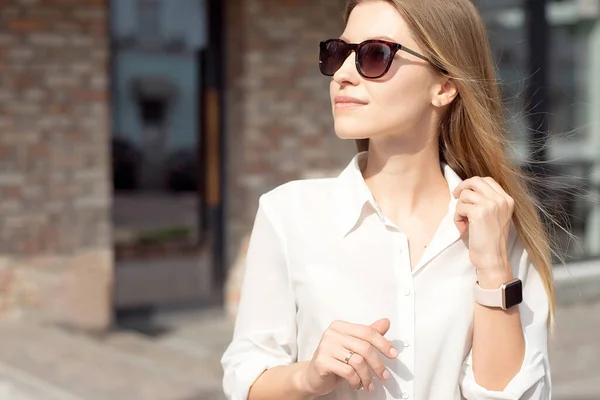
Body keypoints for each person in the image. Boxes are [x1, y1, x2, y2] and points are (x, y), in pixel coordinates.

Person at [221, 0, 554, 399]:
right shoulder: (288, 214)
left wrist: (493, 270)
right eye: (337, 53)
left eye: (374, 55)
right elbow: (246, 379)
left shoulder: (496, 225)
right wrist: (309, 376)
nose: (342, 75)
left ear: (444, 86)